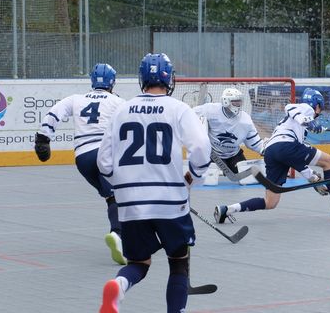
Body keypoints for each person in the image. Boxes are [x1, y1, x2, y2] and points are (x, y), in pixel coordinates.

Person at [97, 53, 211, 313]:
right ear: (169, 79)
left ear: (142, 79)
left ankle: (119, 285)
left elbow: (104, 163)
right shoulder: (178, 108)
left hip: (130, 204)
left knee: (139, 262)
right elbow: (202, 147)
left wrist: (126, 186)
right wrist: (194, 175)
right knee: (178, 261)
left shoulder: (121, 110)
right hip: (170, 202)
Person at [214, 88, 330, 223]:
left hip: (272, 152)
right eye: (320, 108)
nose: (318, 112)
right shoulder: (306, 109)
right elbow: (289, 107)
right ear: (317, 105)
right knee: (329, 161)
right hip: (285, 145)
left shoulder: (296, 127)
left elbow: (291, 158)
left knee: (270, 202)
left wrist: (312, 177)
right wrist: (307, 121)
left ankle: (227, 209)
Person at [34, 63, 127, 265]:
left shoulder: (75, 99)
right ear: (112, 82)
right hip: (106, 154)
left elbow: (52, 115)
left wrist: (43, 140)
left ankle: (121, 233)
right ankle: (119, 235)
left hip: (83, 158)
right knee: (119, 196)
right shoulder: (117, 101)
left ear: (92, 81)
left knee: (112, 196)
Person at [193, 88, 264, 175]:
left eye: (239, 101)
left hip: (234, 155)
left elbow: (255, 143)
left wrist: (265, 150)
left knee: (243, 176)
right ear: (226, 101)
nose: (238, 104)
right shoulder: (210, 110)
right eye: (235, 101)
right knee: (215, 177)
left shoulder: (246, 120)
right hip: (213, 155)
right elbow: (190, 114)